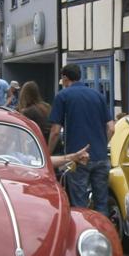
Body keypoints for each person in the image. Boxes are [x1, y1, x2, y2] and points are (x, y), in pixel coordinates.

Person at [48, 63, 115, 214]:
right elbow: (111, 127)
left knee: (80, 204)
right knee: (101, 203)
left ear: (65, 78)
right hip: (100, 156)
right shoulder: (98, 95)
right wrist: (102, 145)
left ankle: (83, 233)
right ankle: (101, 234)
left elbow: (55, 131)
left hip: (78, 157)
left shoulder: (62, 96)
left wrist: (48, 153)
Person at [17, 81, 55, 147]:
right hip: (52, 144)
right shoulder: (47, 106)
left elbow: (23, 136)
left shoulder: (27, 112)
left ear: (23, 94)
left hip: (40, 146)